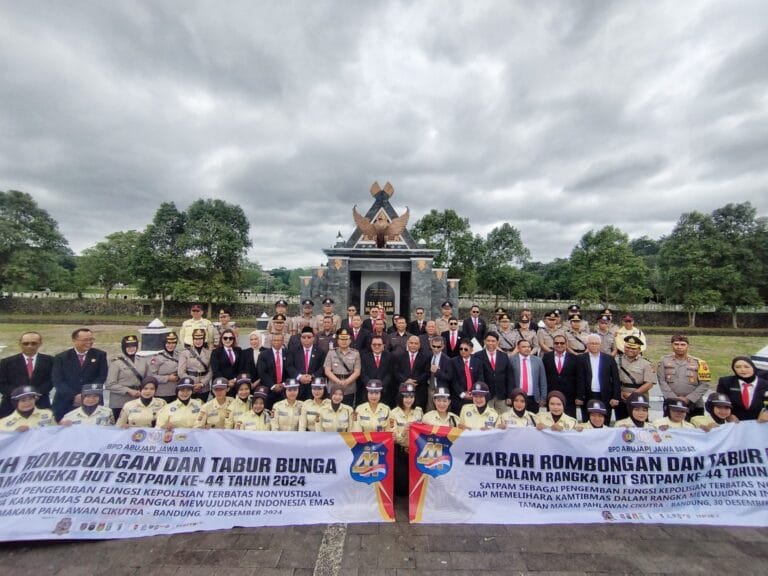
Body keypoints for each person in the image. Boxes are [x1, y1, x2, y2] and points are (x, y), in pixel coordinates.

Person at [51, 328, 108, 422]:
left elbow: (101, 377)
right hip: (66, 402)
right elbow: (58, 380)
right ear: (74, 340)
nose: (89, 342)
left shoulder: (100, 355)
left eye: (91, 339)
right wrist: (73, 396)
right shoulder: (61, 357)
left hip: (92, 401)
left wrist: (86, 395)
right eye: (85, 340)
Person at [0, 331, 54, 418]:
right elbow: (2, 384)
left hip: (41, 403)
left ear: (40, 344)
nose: (29, 346)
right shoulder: (6, 362)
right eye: (26, 343)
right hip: (11, 406)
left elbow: (52, 380)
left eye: (34, 343)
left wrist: (35, 394)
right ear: (20, 344)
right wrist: (20, 395)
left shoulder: (50, 361)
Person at [657, 334, 711, 418]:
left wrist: (688, 398)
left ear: (688, 346)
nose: (679, 347)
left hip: (694, 404)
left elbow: (705, 384)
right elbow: (661, 381)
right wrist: (674, 399)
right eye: (676, 344)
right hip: (671, 403)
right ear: (672, 345)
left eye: (683, 345)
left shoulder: (700, 363)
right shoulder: (664, 361)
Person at [576, 334, 620, 423]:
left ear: (600, 345)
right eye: (591, 343)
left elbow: (616, 379)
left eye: (596, 343)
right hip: (587, 396)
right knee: (587, 421)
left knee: (604, 421)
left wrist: (615, 397)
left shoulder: (609, 359)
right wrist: (578, 396)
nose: (594, 345)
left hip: (605, 396)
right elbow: (578, 379)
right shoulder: (580, 359)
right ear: (587, 345)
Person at [391, 383, 423, 497]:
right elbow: (394, 438)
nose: (409, 400)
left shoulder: (419, 411)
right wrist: (404, 431)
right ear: (400, 397)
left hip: (417, 452)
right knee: (402, 490)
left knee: (418, 485)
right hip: (400, 451)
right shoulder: (393, 413)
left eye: (411, 396)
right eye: (405, 397)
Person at [106, 335, 149, 421]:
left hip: (137, 399)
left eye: (133, 346)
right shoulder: (116, 363)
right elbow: (110, 384)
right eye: (128, 347)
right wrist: (128, 391)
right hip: (120, 401)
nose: (131, 349)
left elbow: (146, 379)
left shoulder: (143, 361)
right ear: (123, 347)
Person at [614, 335, 655, 421]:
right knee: (621, 422)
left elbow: (649, 383)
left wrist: (633, 395)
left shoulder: (646, 363)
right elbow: (611, 379)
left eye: (633, 348)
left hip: (639, 398)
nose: (630, 350)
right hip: (621, 397)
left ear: (639, 350)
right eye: (627, 347)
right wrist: (619, 393)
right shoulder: (616, 360)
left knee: (640, 422)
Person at [716, 356, 768, 421]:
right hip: (735, 423)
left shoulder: (765, 384)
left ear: (753, 367)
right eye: (738, 367)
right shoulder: (726, 382)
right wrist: (728, 415)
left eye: (746, 367)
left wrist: (766, 412)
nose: (743, 370)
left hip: (760, 423)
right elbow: (719, 402)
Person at [475, 331, 512, 416]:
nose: (490, 343)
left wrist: (509, 395)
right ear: (484, 341)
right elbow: (477, 376)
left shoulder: (504, 356)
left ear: (497, 342)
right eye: (488, 341)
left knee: (503, 418)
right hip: (486, 395)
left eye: (493, 341)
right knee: (487, 418)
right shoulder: (478, 356)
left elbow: (509, 376)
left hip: (502, 395)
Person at [542, 335, 579, 418]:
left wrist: (578, 396)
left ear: (566, 344)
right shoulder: (546, 357)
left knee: (569, 420)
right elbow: (543, 376)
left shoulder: (574, 358)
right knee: (551, 420)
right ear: (553, 344)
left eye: (562, 343)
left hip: (569, 396)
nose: (559, 345)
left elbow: (578, 378)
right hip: (552, 394)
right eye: (556, 343)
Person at [324, 328, 361, 406]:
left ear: (350, 340)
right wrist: (338, 382)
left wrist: (346, 382)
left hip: (349, 387)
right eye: (341, 339)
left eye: (346, 339)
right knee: (332, 408)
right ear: (338, 341)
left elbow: (357, 372)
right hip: (333, 387)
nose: (344, 341)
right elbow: (327, 371)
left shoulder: (355, 353)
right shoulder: (331, 352)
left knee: (348, 409)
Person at [288, 326, 327, 401]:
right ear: (300, 338)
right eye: (303, 337)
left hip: (314, 387)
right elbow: (289, 366)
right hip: (297, 386)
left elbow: (323, 367)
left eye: (309, 337)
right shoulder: (293, 351)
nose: (306, 339)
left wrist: (312, 376)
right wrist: (299, 377)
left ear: (313, 338)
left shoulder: (320, 352)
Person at [509, 340, 547, 414]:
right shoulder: (512, 360)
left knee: (532, 419)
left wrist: (543, 398)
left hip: (533, 398)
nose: (527, 349)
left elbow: (543, 380)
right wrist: (509, 396)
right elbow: (509, 380)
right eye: (524, 347)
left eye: (529, 347)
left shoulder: (538, 360)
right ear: (518, 348)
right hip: (517, 397)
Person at [449, 338, 483, 415]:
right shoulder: (453, 361)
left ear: (471, 350)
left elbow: (480, 378)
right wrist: (462, 394)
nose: (463, 351)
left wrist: (473, 392)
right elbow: (453, 380)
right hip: (458, 398)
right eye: (461, 349)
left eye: (466, 349)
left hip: (474, 397)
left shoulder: (478, 362)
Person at [395, 336, 430, 410]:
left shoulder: (426, 357)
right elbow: (396, 372)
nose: (413, 345)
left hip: (419, 390)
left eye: (416, 343)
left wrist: (414, 382)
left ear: (419, 345)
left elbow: (426, 373)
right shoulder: (399, 356)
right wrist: (406, 380)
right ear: (407, 343)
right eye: (411, 343)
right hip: (403, 389)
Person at [360, 335, 396, 407]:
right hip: (368, 391)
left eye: (379, 344)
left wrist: (381, 386)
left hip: (384, 391)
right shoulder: (364, 357)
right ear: (371, 346)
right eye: (374, 344)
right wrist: (371, 386)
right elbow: (363, 373)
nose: (377, 346)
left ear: (383, 346)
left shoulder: (390, 356)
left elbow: (390, 373)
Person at [256, 332, 289, 409]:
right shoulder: (263, 355)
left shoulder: (288, 353)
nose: (276, 342)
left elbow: (290, 370)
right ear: (271, 341)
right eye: (274, 340)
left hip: (284, 389)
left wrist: (283, 384)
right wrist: (273, 386)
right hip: (269, 389)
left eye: (279, 340)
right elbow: (262, 372)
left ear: (282, 341)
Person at [178, 328, 212, 402]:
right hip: (189, 386)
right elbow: (181, 372)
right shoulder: (185, 353)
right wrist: (191, 383)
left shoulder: (209, 353)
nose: (198, 341)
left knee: (203, 405)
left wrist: (202, 383)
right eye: (196, 339)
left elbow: (211, 371)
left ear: (204, 340)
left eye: (200, 339)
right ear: (193, 340)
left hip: (204, 387)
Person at [149, 332, 181, 403]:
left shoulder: (179, 355)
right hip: (163, 393)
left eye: (173, 343)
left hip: (177, 391)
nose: (171, 345)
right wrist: (168, 378)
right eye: (168, 343)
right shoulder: (157, 357)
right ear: (164, 343)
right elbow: (151, 376)